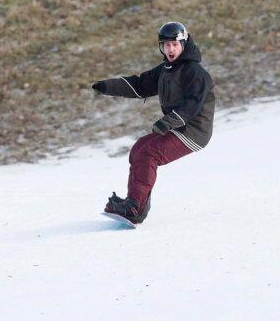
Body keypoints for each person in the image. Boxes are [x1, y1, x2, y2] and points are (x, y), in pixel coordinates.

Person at [91, 21, 215, 223]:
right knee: (139, 149)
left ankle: (135, 208)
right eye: (166, 45)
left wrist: (168, 122)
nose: (170, 49)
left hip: (194, 131)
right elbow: (139, 85)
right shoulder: (166, 69)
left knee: (149, 154)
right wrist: (107, 87)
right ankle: (135, 202)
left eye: (175, 44)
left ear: (183, 44)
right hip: (178, 127)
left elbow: (193, 106)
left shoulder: (194, 72)